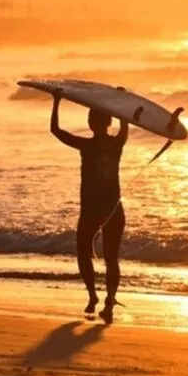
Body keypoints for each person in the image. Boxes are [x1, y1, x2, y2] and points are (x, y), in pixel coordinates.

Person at [49, 89, 129, 324]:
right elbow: (125, 122)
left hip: (91, 210)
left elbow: (56, 130)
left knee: (84, 253)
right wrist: (122, 102)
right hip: (113, 209)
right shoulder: (117, 143)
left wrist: (57, 101)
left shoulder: (86, 146)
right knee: (112, 258)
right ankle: (109, 301)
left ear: (90, 123)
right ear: (109, 122)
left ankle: (93, 296)